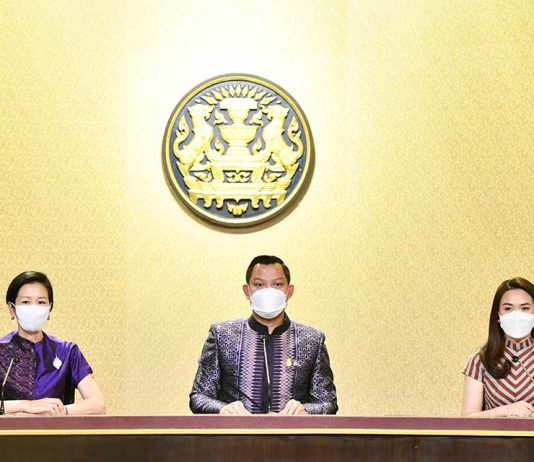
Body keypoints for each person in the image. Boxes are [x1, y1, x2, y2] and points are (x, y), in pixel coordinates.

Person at [189, 255, 338, 415]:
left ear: (289, 291)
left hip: (291, 432)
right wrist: (224, 409)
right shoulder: (222, 335)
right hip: (236, 431)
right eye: (259, 284)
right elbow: (199, 397)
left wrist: (305, 410)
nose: (268, 291)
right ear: (247, 291)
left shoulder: (312, 339)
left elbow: (328, 402)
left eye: (277, 284)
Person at [0, 271, 105, 416]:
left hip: (55, 430)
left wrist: (58, 412)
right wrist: (27, 405)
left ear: (49, 308)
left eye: (41, 302)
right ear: (12, 309)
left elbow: (98, 404)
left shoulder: (67, 351)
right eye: (26, 302)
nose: (34, 308)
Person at [462, 277, 534, 417]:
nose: (516, 316)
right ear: (498, 315)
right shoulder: (479, 359)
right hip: (493, 433)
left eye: (525, 308)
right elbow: (467, 419)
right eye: (508, 309)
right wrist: (504, 411)